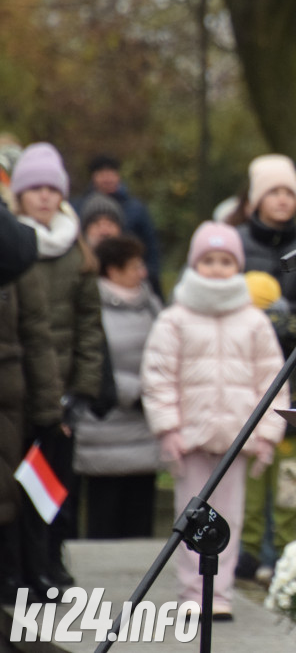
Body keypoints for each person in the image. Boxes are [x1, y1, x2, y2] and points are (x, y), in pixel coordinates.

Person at [141, 221, 288, 619]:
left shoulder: (254, 321)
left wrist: (267, 433)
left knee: (231, 518)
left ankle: (218, 594)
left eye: (226, 260)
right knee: (191, 516)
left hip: (235, 440)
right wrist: (168, 429)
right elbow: (157, 375)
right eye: (209, 260)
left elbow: (271, 380)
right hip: (190, 439)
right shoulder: (175, 319)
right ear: (194, 263)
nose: (218, 268)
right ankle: (193, 592)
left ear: (237, 266)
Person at [11, 142, 106, 595]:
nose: (45, 197)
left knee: (56, 484)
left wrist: (82, 390)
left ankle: (53, 558)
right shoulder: (12, 246)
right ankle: (23, 565)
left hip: (63, 391)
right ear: (20, 195)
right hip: (18, 389)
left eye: (53, 188)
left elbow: (90, 328)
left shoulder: (77, 252)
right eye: (36, 188)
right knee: (17, 486)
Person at [232, 153, 296, 537]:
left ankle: (295, 547)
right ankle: (248, 550)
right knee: (251, 471)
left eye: (289, 192)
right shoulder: (237, 243)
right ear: (256, 198)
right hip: (243, 377)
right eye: (272, 191)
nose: (282, 199)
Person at [73, 236, 162, 539]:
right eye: (135, 266)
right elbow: (91, 362)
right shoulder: (91, 306)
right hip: (104, 431)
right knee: (104, 528)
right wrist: (134, 391)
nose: (143, 273)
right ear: (112, 270)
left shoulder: (151, 304)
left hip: (144, 431)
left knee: (141, 528)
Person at [236, 270, 296, 585]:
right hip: (284, 427)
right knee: (286, 495)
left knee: (260, 495)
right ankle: (278, 554)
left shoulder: (254, 332)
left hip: (269, 427)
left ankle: (254, 553)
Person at [0, 263, 62, 604]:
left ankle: (23, 570)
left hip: (10, 394)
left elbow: (38, 335)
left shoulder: (16, 251)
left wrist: (48, 407)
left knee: (17, 487)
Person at [73, 154, 163, 300]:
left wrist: (148, 272)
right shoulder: (78, 206)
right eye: (102, 173)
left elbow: (151, 246)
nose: (107, 178)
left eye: (111, 173)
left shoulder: (136, 208)